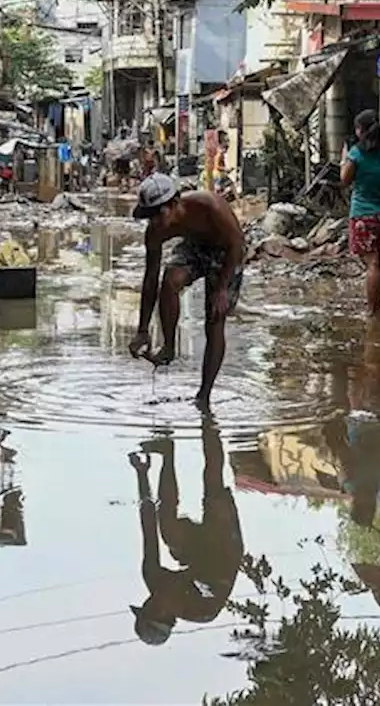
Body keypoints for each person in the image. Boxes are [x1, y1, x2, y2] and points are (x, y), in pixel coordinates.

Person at [129, 172, 245, 410]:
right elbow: (150, 280)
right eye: (150, 218)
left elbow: (237, 243)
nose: (155, 223)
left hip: (227, 252)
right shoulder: (155, 231)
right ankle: (169, 346)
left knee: (214, 319)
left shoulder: (209, 206)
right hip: (194, 247)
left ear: (174, 204)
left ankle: (204, 395)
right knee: (170, 279)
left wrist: (222, 288)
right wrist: (142, 330)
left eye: (159, 215)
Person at [127, 425, 244, 645]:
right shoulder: (203, 609)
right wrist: (187, 579)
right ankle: (211, 427)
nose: (150, 600)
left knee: (168, 532)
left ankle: (167, 453)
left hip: (196, 555)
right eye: (152, 608)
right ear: (167, 616)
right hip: (224, 548)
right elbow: (219, 572)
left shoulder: (153, 579)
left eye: (146, 605)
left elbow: (149, 528)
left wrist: (142, 475)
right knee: (212, 484)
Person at [340, 110, 380, 317]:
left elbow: (344, 180)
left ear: (361, 131)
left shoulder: (356, 155)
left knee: (372, 264)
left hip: (363, 214)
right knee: (376, 262)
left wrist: (344, 156)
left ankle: (373, 311)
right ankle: (377, 307)